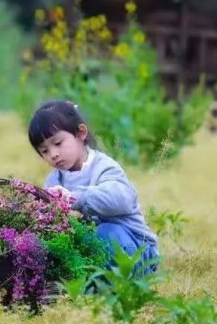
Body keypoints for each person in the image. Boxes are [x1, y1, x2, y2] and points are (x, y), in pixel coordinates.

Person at [27, 99, 159, 275]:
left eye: (58, 143)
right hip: (96, 253)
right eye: (44, 151)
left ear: (81, 133)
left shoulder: (103, 167)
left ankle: (119, 283)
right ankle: (90, 283)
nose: (53, 154)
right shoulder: (54, 180)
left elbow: (121, 199)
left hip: (135, 250)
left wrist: (73, 199)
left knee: (106, 232)